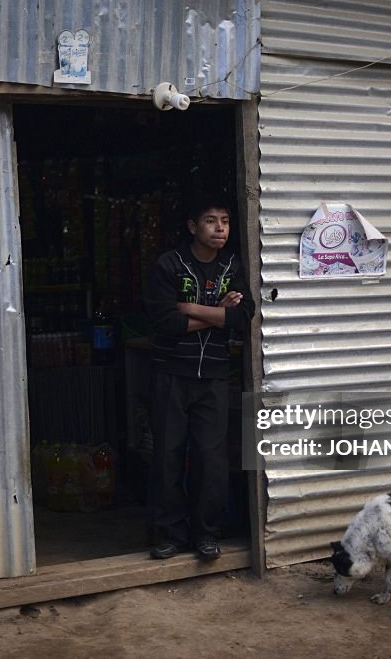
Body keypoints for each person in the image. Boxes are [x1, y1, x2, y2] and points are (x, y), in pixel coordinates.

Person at [144, 201, 255, 561]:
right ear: (193, 226)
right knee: (168, 456)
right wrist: (219, 312)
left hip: (214, 378)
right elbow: (165, 323)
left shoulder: (231, 265)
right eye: (211, 221)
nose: (220, 228)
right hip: (172, 374)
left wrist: (190, 308)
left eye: (225, 221)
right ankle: (168, 535)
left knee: (211, 459)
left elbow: (243, 316)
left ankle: (206, 534)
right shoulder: (169, 264)